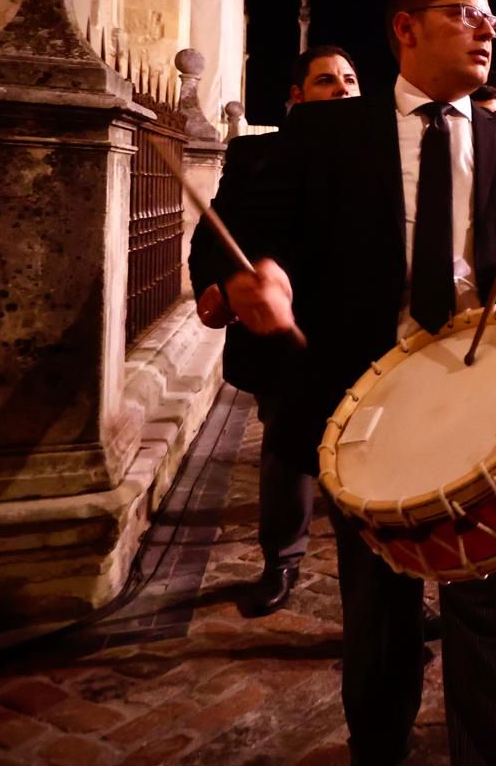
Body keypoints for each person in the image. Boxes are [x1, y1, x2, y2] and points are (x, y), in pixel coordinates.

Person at [223, 0, 496, 766]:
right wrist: (262, 271)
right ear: (406, 29)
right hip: (367, 407)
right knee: (378, 611)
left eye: (493, 19)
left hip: (484, 410)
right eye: (465, 15)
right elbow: (249, 225)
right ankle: (376, 746)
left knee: (491, 606)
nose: (486, 30)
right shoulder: (326, 131)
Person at [189, 44, 360, 618]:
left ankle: (381, 588)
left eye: (350, 81)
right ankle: (281, 561)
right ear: (296, 97)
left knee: (363, 459)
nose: (341, 90)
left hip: (356, 334)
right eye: (325, 81)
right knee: (288, 452)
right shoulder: (256, 155)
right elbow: (213, 235)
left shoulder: (382, 160)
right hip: (280, 334)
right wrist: (220, 285)